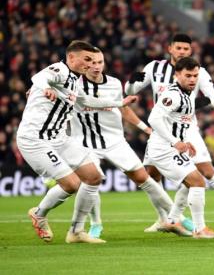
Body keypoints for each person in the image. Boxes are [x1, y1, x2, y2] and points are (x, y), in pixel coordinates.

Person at [125, 33, 214, 232]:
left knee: (205, 172)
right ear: (170, 48)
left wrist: (196, 103)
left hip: (187, 130)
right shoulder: (154, 68)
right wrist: (132, 83)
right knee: (152, 175)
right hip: (162, 130)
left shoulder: (198, 71)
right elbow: (130, 90)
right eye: (178, 48)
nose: (182, 52)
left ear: (191, 50)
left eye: (186, 49)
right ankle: (166, 218)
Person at [18, 40, 136, 244]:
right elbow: (39, 77)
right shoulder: (60, 70)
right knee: (71, 184)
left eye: (93, 60)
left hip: (59, 138)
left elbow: (87, 101)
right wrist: (46, 88)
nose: (90, 65)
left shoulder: (74, 80)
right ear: (71, 57)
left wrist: (119, 103)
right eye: (86, 59)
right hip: (36, 139)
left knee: (93, 176)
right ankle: (39, 214)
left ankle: (76, 231)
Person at [67, 50, 181, 238]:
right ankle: (95, 224)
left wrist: (145, 128)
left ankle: (174, 218)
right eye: (92, 62)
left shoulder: (112, 83)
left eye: (100, 62)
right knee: (91, 182)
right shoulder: (74, 84)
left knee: (144, 178)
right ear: (85, 63)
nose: (96, 66)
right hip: (84, 141)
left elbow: (124, 109)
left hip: (114, 141)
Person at [145, 56, 214, 238]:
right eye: (188, 75)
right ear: (177, 75)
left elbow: (179, 122)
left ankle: (172, 221)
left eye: (195, 76)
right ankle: (200, 229)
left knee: (190, 184)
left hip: (171, 147)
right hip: (163, 149)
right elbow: (153, 119)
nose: (192, 80)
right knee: (197, 182)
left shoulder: (187, 96)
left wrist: (186, 142)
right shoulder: (172, 95)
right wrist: (175, 141)